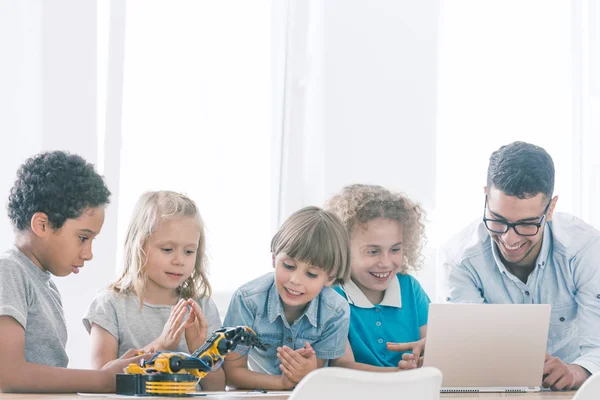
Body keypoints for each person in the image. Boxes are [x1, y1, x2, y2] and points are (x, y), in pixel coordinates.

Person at [441, 141, 600, 390]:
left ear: (551, 208)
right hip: (495, 389)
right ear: (486, 197)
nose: (509, 238)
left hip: (572, 392)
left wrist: (575, 372)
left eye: (527, 223)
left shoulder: (585, 250)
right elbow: (471, 350)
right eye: (497, 220)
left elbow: (598, 346)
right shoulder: (460, 259)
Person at [0, 150, 145, 393]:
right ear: (42, 225)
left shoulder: (44, 284)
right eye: (83, 238)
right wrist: (104, 379)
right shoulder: (9, 271)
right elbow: (8, 374)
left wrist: (114, 371)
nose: (88, 253)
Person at [84, 191, 224, 390]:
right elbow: (100, 380)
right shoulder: (110, 305)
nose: (179, 260)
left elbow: (217, 388)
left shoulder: (203, 306)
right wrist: (160, 348)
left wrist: (201, 352)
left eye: (189, 251)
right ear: (139, 246)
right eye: (167, 249)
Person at [222, 206, 351, 390]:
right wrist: (282, 383)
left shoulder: (336, 311)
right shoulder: (248, 300)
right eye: (289, 266)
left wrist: (310, 370)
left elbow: (319, 376)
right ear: (274, 258)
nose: (295, 281)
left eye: (312, 274)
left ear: (330, 277)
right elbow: (231, 373)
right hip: (256, 393)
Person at [325, 184, 430, 371]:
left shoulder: (410, 289)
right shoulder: (331, 297)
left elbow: (435, 344)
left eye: (395, 249)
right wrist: (401, 375)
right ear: (342, 248)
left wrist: (429, 351)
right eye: (373, 251)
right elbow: (341, 366)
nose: (386, 262)